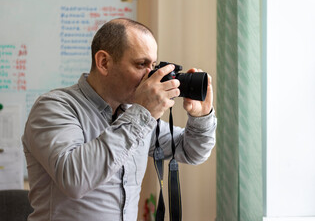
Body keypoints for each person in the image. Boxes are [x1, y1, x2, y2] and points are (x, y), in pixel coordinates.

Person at [22, 18, 217, 221]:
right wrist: (142, 114)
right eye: (141, 64)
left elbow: (191, 151)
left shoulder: (133, 113)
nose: (149, 77)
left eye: (153, 65)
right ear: (104, 62)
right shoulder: (53, 107)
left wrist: (201, 116)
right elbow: (75, 179)